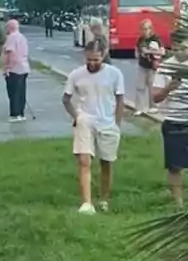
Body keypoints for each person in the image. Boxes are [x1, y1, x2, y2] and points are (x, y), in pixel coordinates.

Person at [62, 40, 126, 215]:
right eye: (89, 59)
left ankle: (104, 199)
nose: (92, 63)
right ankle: (86, 204)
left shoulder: (115, 74)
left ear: (104, 55)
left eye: (96, 60)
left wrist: (117, 124)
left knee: (106, 162)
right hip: (85, 120)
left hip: (107, 122)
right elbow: (66, 99)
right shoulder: (76, 75)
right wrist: (76, 117)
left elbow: (120, 99)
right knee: (84, 161)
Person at [152, 31, 188, 208]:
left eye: (185, 48)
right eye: (177, 48)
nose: (181, 52)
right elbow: (155, 97)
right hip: (174, 121)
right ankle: (178, 204)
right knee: (175, 166)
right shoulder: (165, 68)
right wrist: (168, 88)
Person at [0, 19, 30, 122]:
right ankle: (21, 113)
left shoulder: (12, 37)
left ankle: (15, 113)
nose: (5, 29)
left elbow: (11, 53)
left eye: (6, 27)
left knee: (13, 92)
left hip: (15, 69)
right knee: (21, 91)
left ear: (10, 27)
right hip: (24, 67)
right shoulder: (22, 37)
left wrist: (8, 67)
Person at [136, 20, 165, 116]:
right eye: (144, 29)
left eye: (148, 28)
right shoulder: (140, 39)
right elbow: (138, 51)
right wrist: (143, 52)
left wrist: (149, 52)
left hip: (152, 66)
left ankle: (153, 107)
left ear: (151, 29)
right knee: (140, 87)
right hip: (142, 65)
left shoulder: (156, 39)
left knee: (151, 87)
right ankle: (139, 108)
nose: (146, 31)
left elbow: (162, 52)